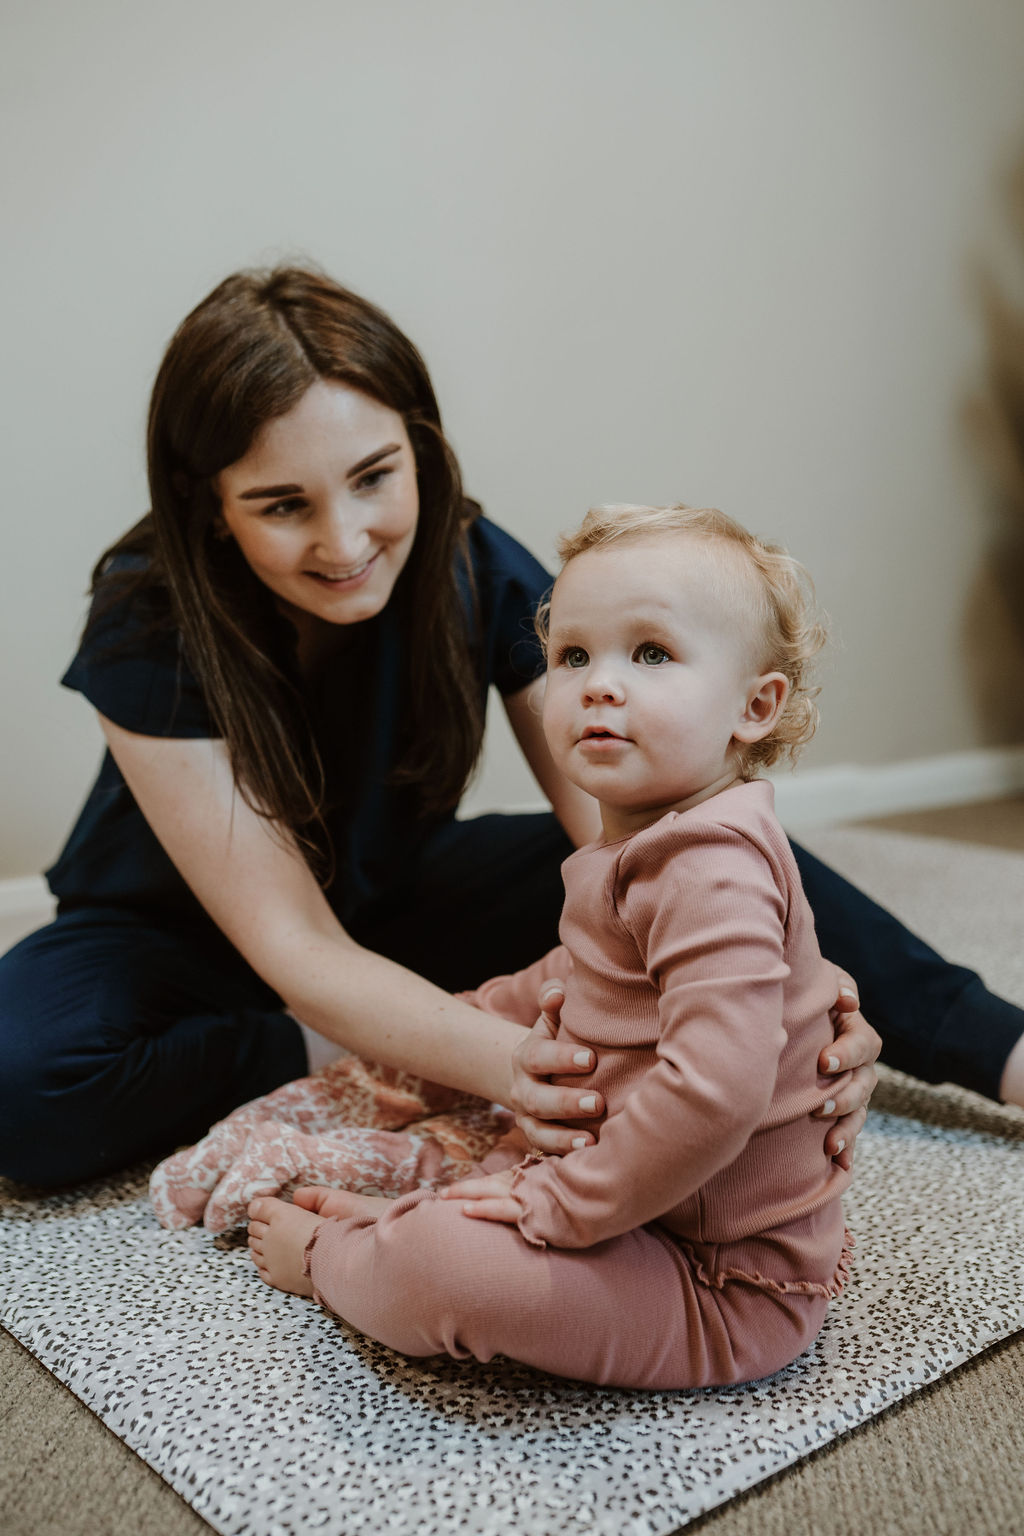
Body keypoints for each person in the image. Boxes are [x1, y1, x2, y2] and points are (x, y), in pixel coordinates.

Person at [0, 262, 954, 1191]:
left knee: (709, 846)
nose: (344, 541)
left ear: (419, 447)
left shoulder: (473, 564)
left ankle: (1009, 1052)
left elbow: (633, 840)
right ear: (213, 509)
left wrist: (810, 1005)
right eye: (283, 505)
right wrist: (518, 1059)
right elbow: (294, 944)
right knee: (22, 1089)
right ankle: (337, 1038)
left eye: (373, 477)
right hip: (174, 938)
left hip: (397, 906)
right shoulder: (149, 613)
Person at [246, 505, 853, 1390]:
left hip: (720, 1285)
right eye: (573, 656)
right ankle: (401, 1228)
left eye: (651, 654)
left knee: (446, 1271)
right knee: (488, 1172)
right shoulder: (645, 844)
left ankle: (342, 1261)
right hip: (635, 1207)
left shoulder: (710, 869)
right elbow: (584, 977)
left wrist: (563, 1205)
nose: (600, 684)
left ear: (754, 707)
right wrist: (473, 1023)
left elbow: (718, 1091)